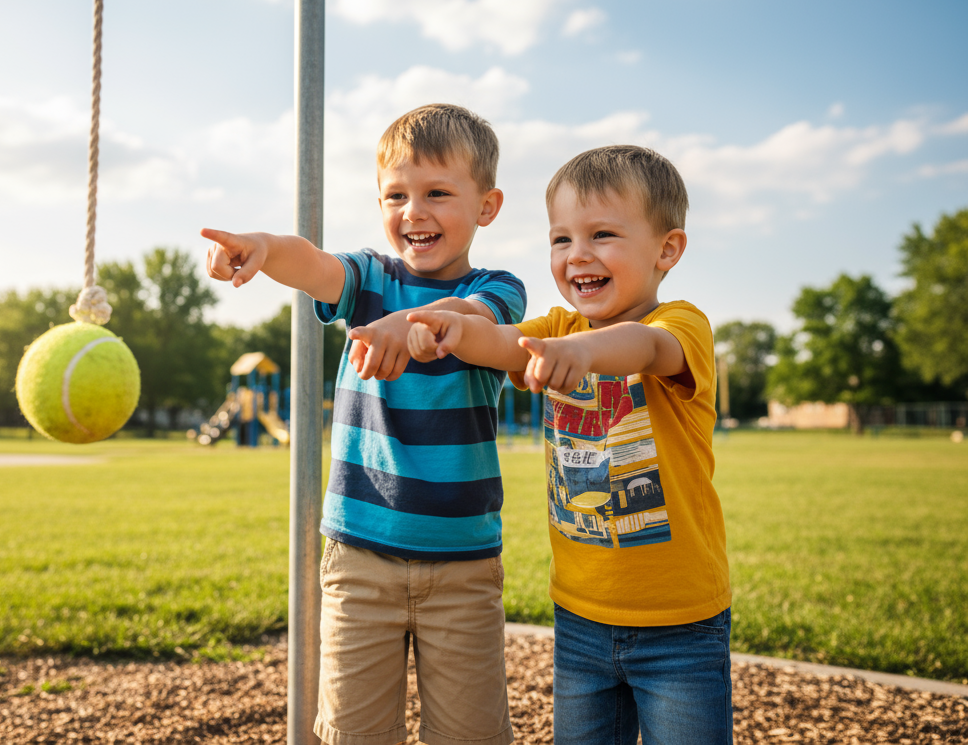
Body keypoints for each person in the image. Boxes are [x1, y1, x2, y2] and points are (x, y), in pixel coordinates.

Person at [201, 103, 526, 745]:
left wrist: (406, 327)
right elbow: (313, 263)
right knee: (354, 733)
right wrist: (264, 250)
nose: (415, 211)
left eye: (437, 192)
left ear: (486, 206)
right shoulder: (369, 279)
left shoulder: (500, 288)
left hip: (461, 567)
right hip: (358, 560)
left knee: (471, 735)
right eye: (396, 195)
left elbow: (466, 320)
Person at [407, 145, 732, 745]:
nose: (577, 254)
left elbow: (643, 348)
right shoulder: (556, 330)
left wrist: (582, 353)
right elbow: (499, 343)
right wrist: (452, 328)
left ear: (667, 249)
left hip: (680, 626)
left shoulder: (681, 324)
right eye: (561, 239)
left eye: (603, 234)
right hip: (580, 619)